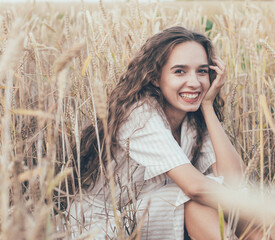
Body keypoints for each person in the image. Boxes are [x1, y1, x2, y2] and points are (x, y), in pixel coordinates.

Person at [68, 26, 251, 240]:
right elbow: (194, 188)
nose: (194, 82)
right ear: (155, 77)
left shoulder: (193, 118)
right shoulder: (139, 115)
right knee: (193, 200)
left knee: (253, 220)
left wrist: (208, 105)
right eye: (179, 71)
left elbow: (235, 179)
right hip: (103, 225)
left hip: (150, 211)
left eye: (202, 71)